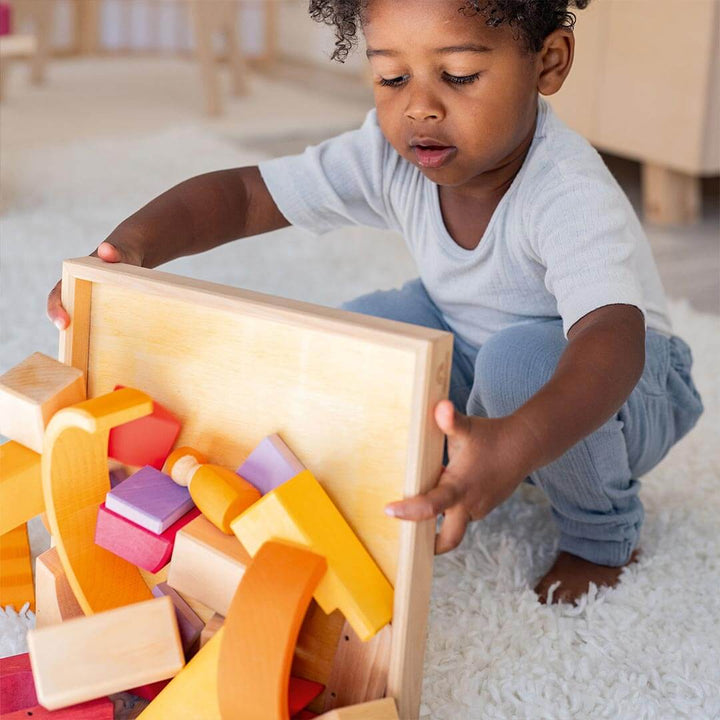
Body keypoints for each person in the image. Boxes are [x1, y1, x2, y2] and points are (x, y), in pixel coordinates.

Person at [47, 0, 703, 604]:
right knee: (366, 333)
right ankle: (455, 452)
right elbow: (248, 196)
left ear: (548, 63)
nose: (419, 107)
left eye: (460, 75)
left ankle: (600, 532)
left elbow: (614, 342)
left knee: (518, 363)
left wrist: (519, 440)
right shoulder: (392, 153)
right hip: (478, 341)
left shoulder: (566, 194)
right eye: (392, 79)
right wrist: (131, 247)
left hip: (621, 386)